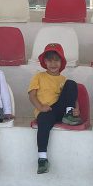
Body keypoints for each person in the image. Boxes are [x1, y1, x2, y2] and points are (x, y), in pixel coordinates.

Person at [29, 42, 82, 174]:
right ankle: (42, 159)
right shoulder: (39, 76)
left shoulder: (63, 79)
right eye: (50, 60)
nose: (53, 64)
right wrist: (40, 107)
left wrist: (77, 109)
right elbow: (32, 95)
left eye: (56, 60)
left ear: (61, 62)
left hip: (60, 109)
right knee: (43, 123)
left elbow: (73, 98)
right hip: (46, 111)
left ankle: (69, 115)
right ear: (45, 62)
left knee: (71, 84)